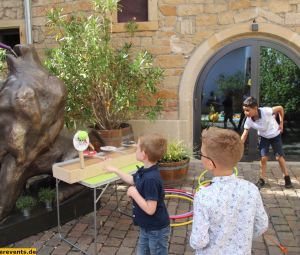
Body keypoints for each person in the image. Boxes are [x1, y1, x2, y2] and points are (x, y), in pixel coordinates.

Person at [190, 127, 268, 255]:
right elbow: (262, 225)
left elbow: (198, 241)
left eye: (201, 154)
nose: (200, 155)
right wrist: (243, 237)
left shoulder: (203, 196)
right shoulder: (251, 189)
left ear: (210, 163)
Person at [105, 133, 170, 255]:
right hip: (146, 226)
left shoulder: (151, 179)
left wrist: (134, 194)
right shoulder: (145, 171)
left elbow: (151, 209)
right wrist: (115, 170)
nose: (135, 149)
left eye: (137, 147)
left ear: (144, 154)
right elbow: (132, 180)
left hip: (156, 229)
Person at [241, 96, 293, 189]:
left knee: (279, 157)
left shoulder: (266, 111)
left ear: (255, 107)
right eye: (244, 110)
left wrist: (281, 123)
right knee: (263, 158)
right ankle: (262, 179)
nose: (246, 113)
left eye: (248, 110)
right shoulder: (248, 120)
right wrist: (239, 146)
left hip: (275, 135)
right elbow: (244, 135)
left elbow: (280, 108)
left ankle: (286, 177)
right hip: (263, 137)